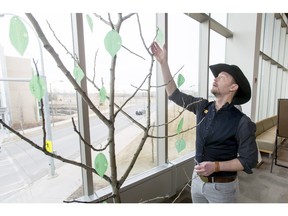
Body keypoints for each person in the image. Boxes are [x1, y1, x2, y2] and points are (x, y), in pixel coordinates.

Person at [151, 42, 258, 203]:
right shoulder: (202, 106)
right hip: (197, 182)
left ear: (233, 87)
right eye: (217, 76)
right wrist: (163, 63)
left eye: (223, 77)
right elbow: (174, 94)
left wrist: (215, 167)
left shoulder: (242, 122)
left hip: (223, 190)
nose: (216, 78)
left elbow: (248, 160)